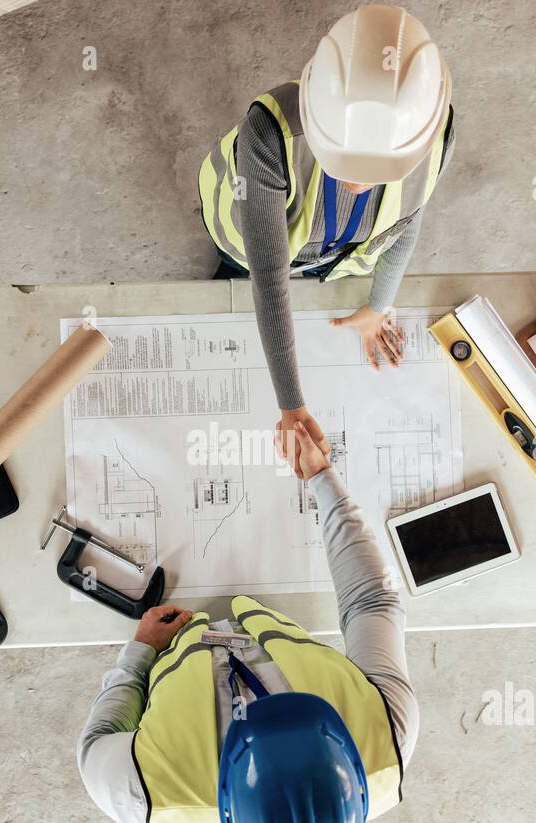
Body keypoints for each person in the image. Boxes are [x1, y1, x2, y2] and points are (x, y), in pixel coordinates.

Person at [77, 423, 417, 823]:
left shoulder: (146, 799)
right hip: (265, 599)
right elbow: (371, 602)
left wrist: (140, 655)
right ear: (350, 768)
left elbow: (97, 740)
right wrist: (322, 477)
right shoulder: (388, 733)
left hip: (174, 618)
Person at [198, 4, 455, 478]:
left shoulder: (432, 133)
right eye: (345, 166)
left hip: (339, 256)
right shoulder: (269, 132)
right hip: (248, 247)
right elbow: (270, 276)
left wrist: (379, 305)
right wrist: (292, 407)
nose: (358, 185)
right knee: (227, 299)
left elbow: (408, 217)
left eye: (376, 172)